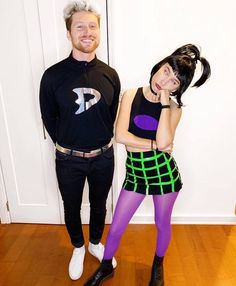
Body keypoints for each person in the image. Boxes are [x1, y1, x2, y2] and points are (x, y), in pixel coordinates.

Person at [84, 44, 211, 286]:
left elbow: (166, 141)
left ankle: (158, 265)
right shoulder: (131, 94)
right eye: (165, 71)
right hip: (136, 175)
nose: (165, 82)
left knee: (162, 224)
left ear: (178, 89)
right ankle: (106, 265)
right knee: (117, 226)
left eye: (174, 82)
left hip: (164, 175)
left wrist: (164, 105)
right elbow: (121, 137)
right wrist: (155, 145)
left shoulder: (174, 109)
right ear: (158, 67)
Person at [39, 0, 120, 281]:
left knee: (99, 204)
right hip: (68, 158)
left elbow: (110, 116)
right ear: (69, 33)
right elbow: (49, 118)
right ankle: (77, 247)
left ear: (99, 31)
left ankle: (95, 243)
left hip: (104, 157)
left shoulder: (110, 75)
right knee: (71, 206)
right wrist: (68, 145)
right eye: (80, 26)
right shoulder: (52, 76)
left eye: (92, 26)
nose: (87, 32)